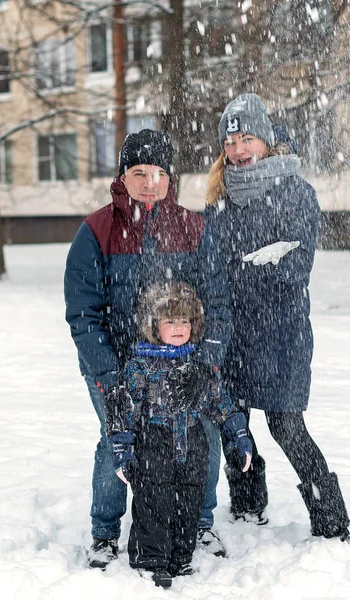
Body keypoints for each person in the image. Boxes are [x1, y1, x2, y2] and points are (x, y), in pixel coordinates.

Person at [64, 129, 232, 569]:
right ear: (124, 176)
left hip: (181, 365)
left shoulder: (194, 227)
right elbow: (83, 313)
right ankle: (105, 532)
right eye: (140, 172)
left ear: (170, 177)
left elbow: (217, 300)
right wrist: (109, 375)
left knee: (201, 438)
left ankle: (199, 522)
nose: (150, 182)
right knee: (116, 442)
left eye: (159, 173)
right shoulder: (96, 230)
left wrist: (207, 359)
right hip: (116, 366)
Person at [204, 92, 349, 540]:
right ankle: (247, 507)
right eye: (231, 142)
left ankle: (332, 520)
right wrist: (250, 264)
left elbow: (294, 266)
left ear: (266, 140)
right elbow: (211, 265)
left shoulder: (295, 190)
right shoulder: (220, 198)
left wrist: (248, 265)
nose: (239, 149)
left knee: (286, 425)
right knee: (233, 422)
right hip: (232, 332)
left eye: (247, 138)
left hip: (280, 334)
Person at [106, 282, 252, 588]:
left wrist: (238, 434)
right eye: (169, 321)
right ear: (153, 325)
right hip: (155, 443)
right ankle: (151, 559)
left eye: (184, 321)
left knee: (188, 500)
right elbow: (124, 411)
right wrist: (123, 450)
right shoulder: (139, 367)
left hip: (193, 441)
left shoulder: (198, 367)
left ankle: (180, 556)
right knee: (154, 501)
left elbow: (220, 402)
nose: (178, 328)